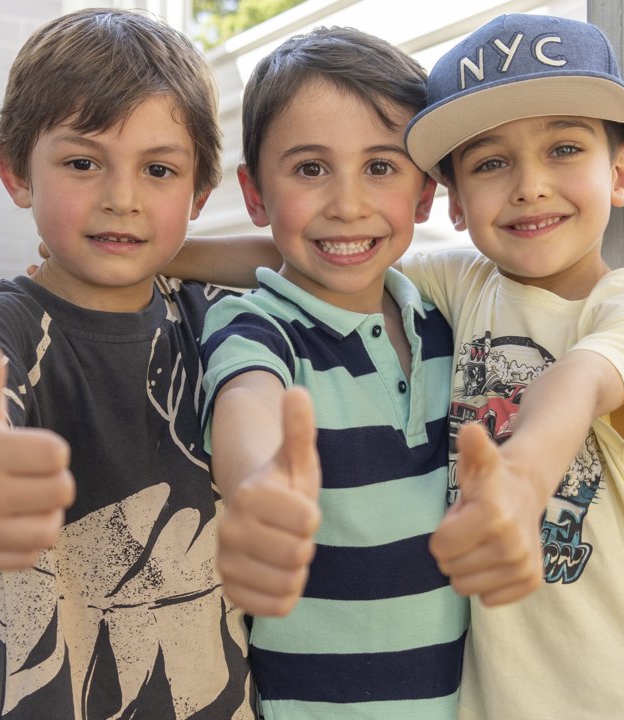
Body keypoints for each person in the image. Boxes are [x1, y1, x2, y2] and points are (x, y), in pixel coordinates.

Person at [0, 9, 253, 718]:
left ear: (199, 195)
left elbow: (309, 261)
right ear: (16, 172)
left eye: (158, 171)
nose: (121, 198)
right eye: (83, 163)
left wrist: (170, 246)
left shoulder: (212, 313)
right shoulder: (7, 321)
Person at [398, 13, 624, 719]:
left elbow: (578, 385)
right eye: (490, 163)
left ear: (621, 175)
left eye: (565, 148)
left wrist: (518, 479)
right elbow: (322, 259)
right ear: (455, 202)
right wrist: (163, 252)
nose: (529, 186)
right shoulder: (461, 285)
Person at [199, 27, 467, 719]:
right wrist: (259, 487)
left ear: (426, 194)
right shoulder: (258, 326)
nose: (348, 203)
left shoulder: (444, 315)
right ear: (256, 195)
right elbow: (245, 401)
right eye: (311, 169)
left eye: (380, 167)